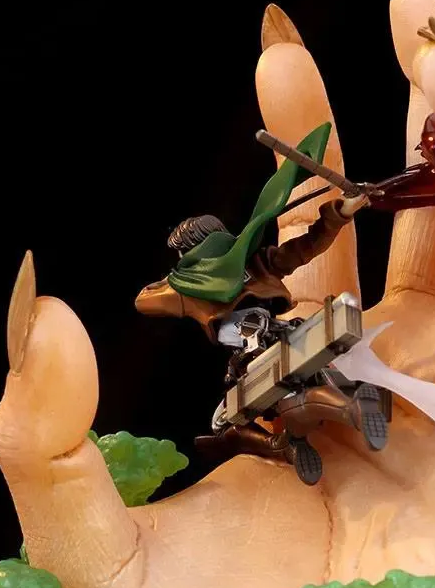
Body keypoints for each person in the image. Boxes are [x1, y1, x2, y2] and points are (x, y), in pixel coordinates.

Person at [135, 123, 390, 484]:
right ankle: (319, 423)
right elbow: (143, 301)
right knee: (272, 399)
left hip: (261, 349)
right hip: (272, 340)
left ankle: (341, 412)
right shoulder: (190, 287)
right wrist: (184, 278)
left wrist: (342, 211)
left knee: (244, 411)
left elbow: (307, 245)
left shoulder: (252, 265)